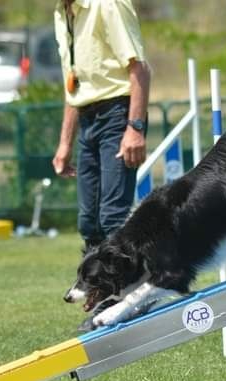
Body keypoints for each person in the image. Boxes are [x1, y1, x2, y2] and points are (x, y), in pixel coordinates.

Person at [52, 0, 151, 250]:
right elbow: (73, 87)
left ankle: (129, 284)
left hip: (118, 114)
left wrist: (135, 128)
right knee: (89, 223)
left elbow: (139, 69)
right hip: (87, 118)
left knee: (113, 218)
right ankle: (95, 285)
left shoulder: (107, 4)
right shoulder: (62, 13)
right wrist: (65, 144)